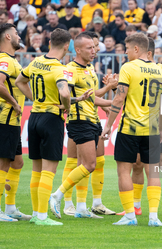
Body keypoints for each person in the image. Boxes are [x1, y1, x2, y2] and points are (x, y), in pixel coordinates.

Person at [117, 37, 162, 219]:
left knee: (161, 164)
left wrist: (161, 127)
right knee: (136, 164)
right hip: (141, 124)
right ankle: (136, 206)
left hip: (156, 124)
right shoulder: (136, 70)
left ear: (146, 52)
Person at [101, 33, 162, 227]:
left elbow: (119, 99)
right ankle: (154, 217)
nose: (126, 53)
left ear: (137, 49)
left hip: (130, 128)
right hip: (152, 129)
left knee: (124, 171)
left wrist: (108, 125)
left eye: (127, 49)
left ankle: (130, 216)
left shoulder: (129, 67)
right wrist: (161, 128)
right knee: (152, 173)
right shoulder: (161, 70)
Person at [49, 32, 115, 219]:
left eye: (94, 47)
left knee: (83, 165)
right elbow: (64, 99)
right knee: (89, 164)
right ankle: (57, 195)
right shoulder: (70, 70)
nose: (94, 51)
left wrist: (113, 102)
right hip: (79, 121)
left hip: (92, 120)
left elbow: (92, 98)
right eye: (89, 48)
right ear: (77, 50)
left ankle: (81, 207)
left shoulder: (90, 68)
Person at [15, 28, 77, 225]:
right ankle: (42, 217)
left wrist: (36, 99)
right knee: (49, 171)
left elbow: (19, 81)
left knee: (36, 170)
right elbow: (65, 94)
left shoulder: (36, 61)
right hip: (51, 119)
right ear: (67, 46)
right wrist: (65, 108)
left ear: (50, 42)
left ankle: (36, 213)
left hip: (33, 117)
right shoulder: (60, 68)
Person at [0, 23, 30, 222]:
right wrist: (12, 102)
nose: (19, 36)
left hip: (11, 119)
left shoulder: (1, 59)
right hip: (6, 118)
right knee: (3, 163)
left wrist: (0, 99)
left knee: (17, 163)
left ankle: (10, 208)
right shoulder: (5, 60)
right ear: (7, 38)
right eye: (16, 33)